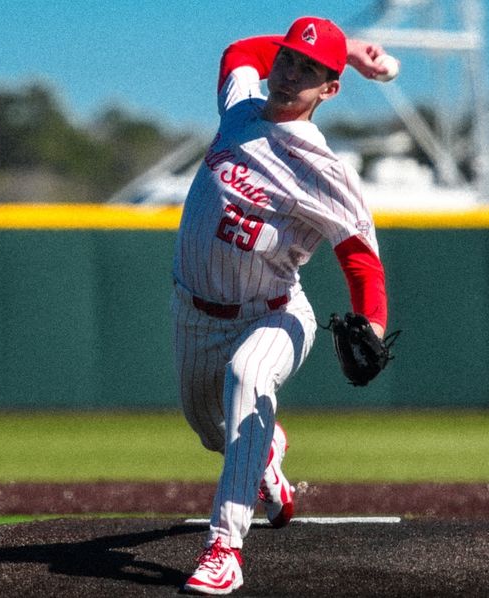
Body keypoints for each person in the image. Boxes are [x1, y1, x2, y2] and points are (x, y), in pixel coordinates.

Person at [170, 16, 393, 595]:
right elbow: (239, 48)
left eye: (311, 70)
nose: (293, 73)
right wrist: (348, 46)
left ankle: (225, 548)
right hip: (195, 315)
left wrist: (372, 323)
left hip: (274, 313)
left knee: (248, 376)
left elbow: (361, 256)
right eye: (290, 59)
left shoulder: (321, 168)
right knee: (210, 430)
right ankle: (266, 453)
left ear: (330, 89)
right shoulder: (240, 109)